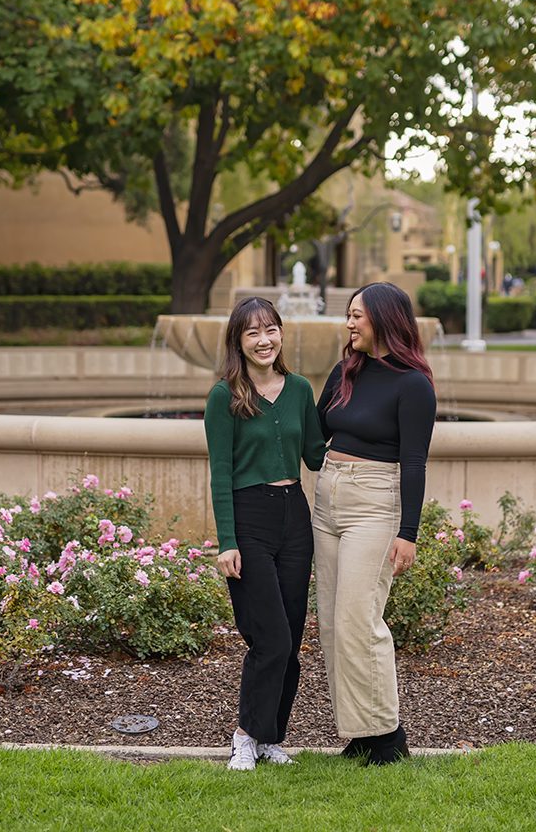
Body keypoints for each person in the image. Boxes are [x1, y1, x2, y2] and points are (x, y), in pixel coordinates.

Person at [314, 282, 437, 765]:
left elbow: (415, 462)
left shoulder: (413, 384)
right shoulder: (346, 370)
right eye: (349, 315)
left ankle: (388, 735)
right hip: (328, 499)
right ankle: (361, 733)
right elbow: (317, 429)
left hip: (375, 504)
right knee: (331, 623)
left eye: (357, 316)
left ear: (385, 319)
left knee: (359, 620)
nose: (349, 323)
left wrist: (408, 533)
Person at [204, 296, 326, 771]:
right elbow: (220, 472)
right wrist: (227, 541)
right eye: (252, 332)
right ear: (238, 341)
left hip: (295, 517)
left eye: (270, 329)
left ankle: (271, 737)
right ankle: (244, 735)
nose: (264, 340)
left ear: (280, 334)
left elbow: (316, 453)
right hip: (249, 517)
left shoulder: (298, 389)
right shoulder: (224, 396)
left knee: (291, 639)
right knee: (269, 638)